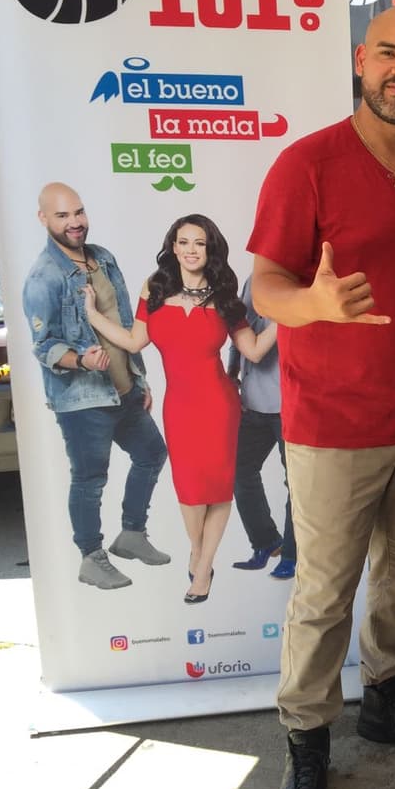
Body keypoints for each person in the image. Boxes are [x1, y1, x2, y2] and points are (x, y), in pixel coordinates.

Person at [248, 7, 395, 789]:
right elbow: (264, 285)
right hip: (331, 423)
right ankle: (306, 741)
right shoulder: (308, 164)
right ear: (362, 62)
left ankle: (386, 699)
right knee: (326, 591)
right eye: (391, 57)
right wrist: (316, 303)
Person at [83, 214, 278, 605]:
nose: (191, 250)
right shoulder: (154, 288)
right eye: (184, 242)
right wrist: (92, 315)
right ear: (172, 246)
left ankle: (203, 566)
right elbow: (135, 342)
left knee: (219, 488)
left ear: (210, 250)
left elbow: (253, 349)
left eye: (199, 243)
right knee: (190, 492)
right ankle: (197, 549)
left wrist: (287, 319)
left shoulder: (225, 296)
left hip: (220, 405)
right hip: (180, 406)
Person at [21, 182, 169, 590]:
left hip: (123, 390)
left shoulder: (103, 258)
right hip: (83, 399)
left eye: (79, 212)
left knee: (152, 453)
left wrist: (140, 379)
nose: (75, 222)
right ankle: (91, 556)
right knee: (90, 478)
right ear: (43, 219)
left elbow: (123, 323)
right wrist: (80, 359)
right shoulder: (44, 277)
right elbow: (44, 345)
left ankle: (132, 535)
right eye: (63, 216)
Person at [227, 274, 297, 580]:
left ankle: (293, 555)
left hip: (289, 405)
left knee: (296, 485)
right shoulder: (253, 278)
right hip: (252, 401)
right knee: (238, 470)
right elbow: (239, 328)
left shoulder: (303, 282)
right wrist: (231, 373)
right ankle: (267, 542)